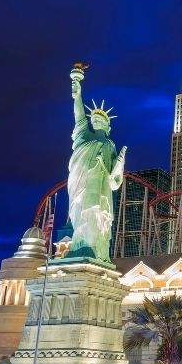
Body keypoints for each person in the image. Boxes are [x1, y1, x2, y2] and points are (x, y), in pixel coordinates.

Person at [67, 65, 127, 261]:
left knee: (96, 215)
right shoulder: (84, 136)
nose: (96, 120)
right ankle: (80, 246)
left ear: (108, 126)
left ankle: (96, 250)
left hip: (99, 188)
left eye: (101, 119)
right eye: (94, 118)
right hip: (80, 182)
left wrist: (120, 163)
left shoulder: (109, 144)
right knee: (79, 215)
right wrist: (77, 91)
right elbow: (78, 115)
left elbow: (113, 180)